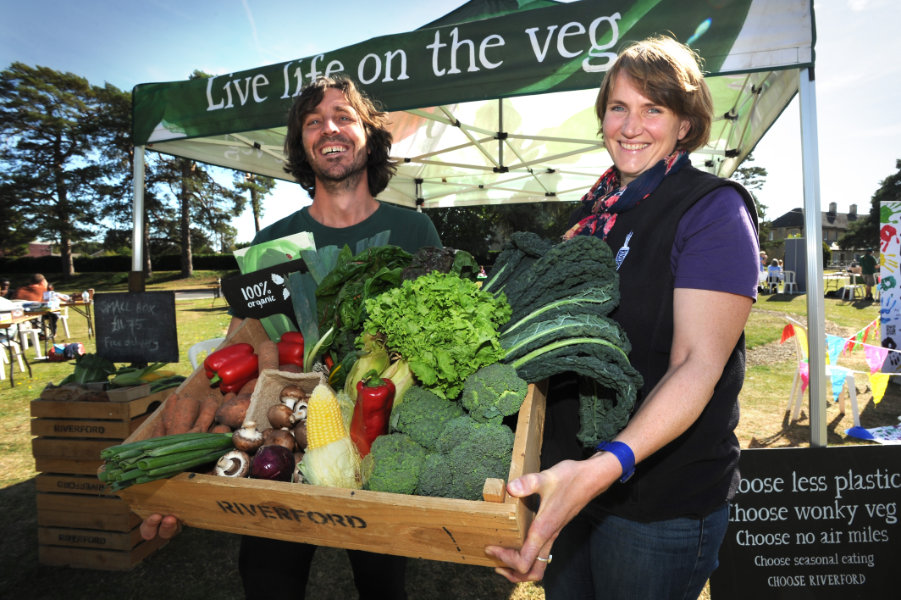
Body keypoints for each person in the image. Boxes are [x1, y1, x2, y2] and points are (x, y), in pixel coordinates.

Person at [140, 75, 441, 600]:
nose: (330, 129)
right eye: (313, 121)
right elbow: (238, 346)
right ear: (302, 144)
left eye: (344, 116)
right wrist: (174, 475)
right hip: (281, 441)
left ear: (369, 133)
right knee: (267, 582)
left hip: (378, 439)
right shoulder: (272, 243)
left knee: (383, 586)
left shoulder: (415, 233)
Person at [485, 35, 759, 599]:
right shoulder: (592, 212)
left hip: (658, 504)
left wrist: (605, 465)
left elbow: (696, 366)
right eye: (618, 107)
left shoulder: (712, 210)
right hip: (573, 484)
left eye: (653, 109)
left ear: (684, 123)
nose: (631, 126)